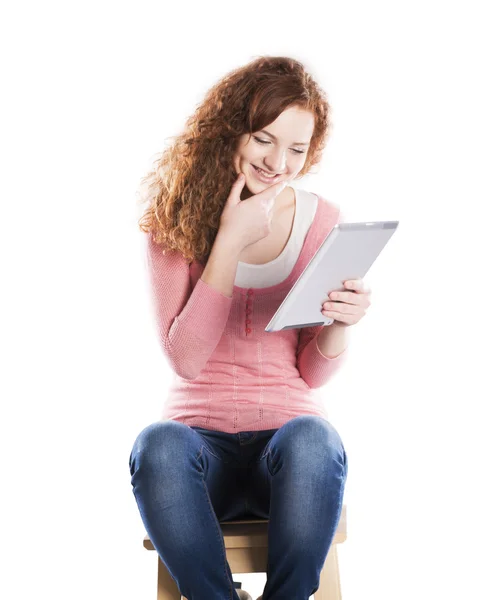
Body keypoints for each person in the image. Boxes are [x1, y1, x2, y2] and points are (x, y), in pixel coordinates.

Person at [129, 55, 372, 600]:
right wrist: (229, 240)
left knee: (315, 438)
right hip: (197, 455)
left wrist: (341, 324)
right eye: (264, 139)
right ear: (229, 131)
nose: (278, 162)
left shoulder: (320, 220)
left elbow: (312, 373)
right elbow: (186, 358)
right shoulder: (172, 218)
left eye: (296, 149)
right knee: (157, 445)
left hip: (287, 455)